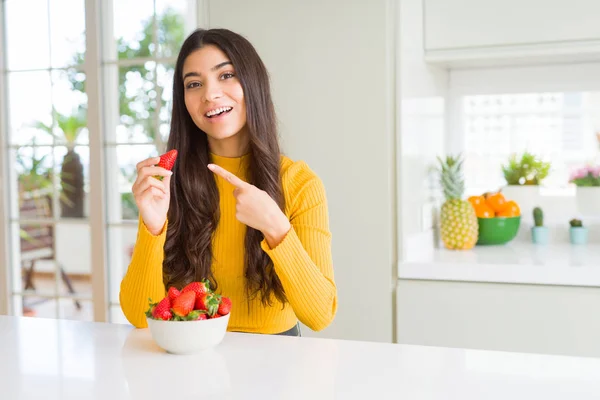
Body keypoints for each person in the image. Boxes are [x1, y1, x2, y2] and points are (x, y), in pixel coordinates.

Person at [119, 28, 337, 336]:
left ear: (253, 83)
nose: (210, 94)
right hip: (189, 358)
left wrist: (276, 228)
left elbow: (320, 315)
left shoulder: (299, 183)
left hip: (277, 362)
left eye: (226, 75)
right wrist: (152, 227)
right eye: (194, 83)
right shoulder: (167, 184)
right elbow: (140, 317)